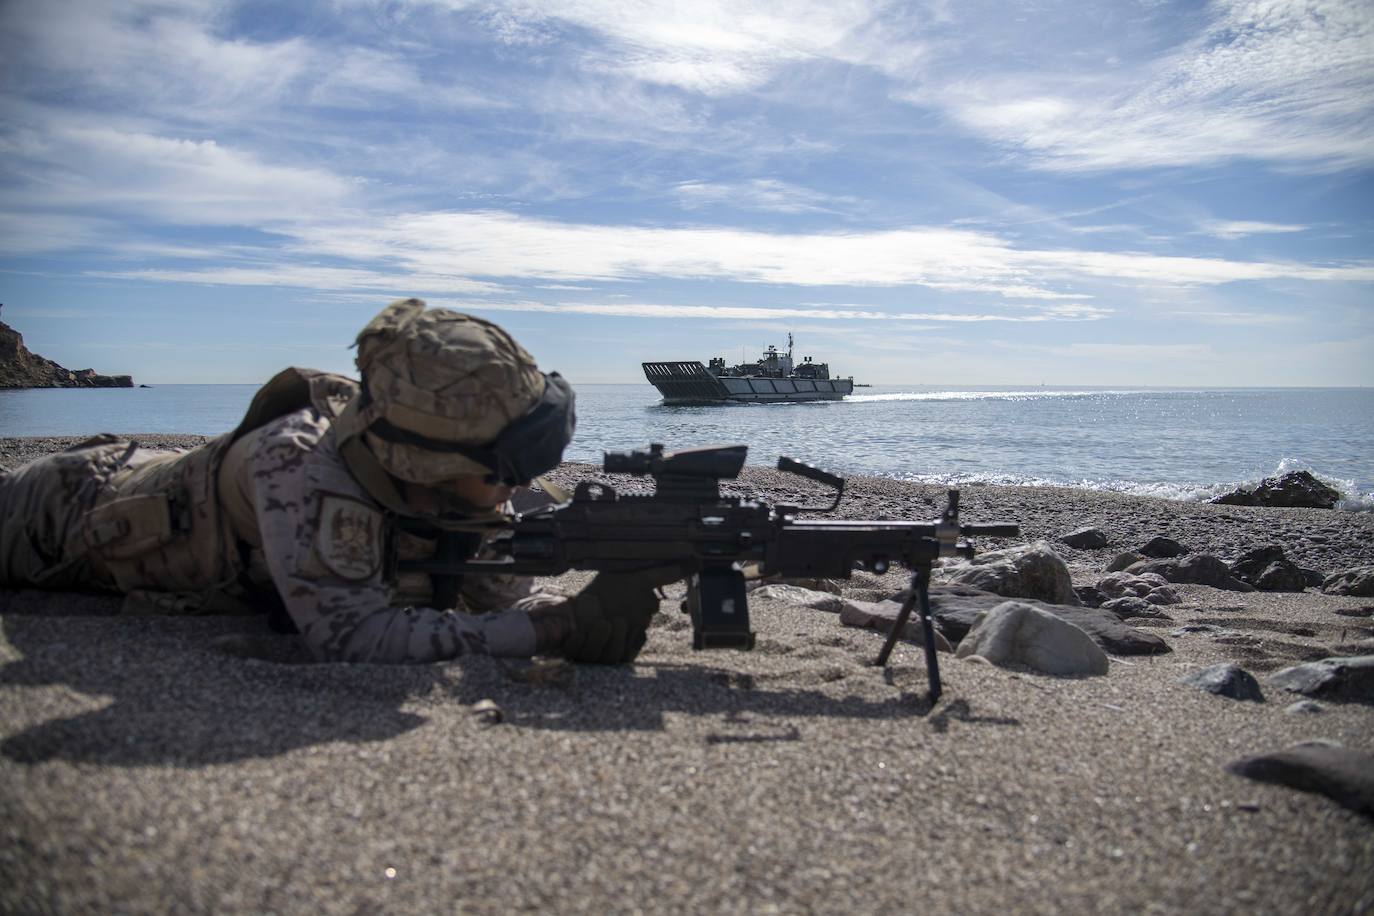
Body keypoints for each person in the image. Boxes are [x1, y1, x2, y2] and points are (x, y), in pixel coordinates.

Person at [0, 298, 666, 664]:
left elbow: (497, 601)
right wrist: (553, 632)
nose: (524, 485)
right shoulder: (299, 465)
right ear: (435, 465)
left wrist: (578, 614)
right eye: (514, 468)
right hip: (55, 515)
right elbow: (355, 635)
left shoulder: (447, 483)